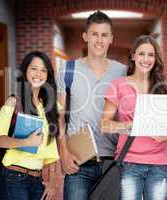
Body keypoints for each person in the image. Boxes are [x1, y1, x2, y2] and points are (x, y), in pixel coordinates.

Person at [101, 35, 167, 200]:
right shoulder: (118, 84)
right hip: (129, 162)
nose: (146, 59)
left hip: (160, 163)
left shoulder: (165, 88)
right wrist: (129, 126)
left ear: (156, 59)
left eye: (151, 55)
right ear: (133, 56)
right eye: (141, 54)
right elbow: (104, 125)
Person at [56, 11, 126, 200]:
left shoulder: (122, 71)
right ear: (85, 36)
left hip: (112, 163)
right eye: (94, 34)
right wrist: (63, 152)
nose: (99, 40)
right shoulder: (67, 70)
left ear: (111, 38)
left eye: (104, 35)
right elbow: (59, 117)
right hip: (78, 161)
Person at [0, 51, 60, 200]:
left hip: (37, 178)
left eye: (43, 70)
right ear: (25, 71)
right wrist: (25, 142)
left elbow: (51, 148)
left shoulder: (48, 106)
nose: (38, 74)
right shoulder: (13, 102)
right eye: (33, 68)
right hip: (14, 177)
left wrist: (51, 181)